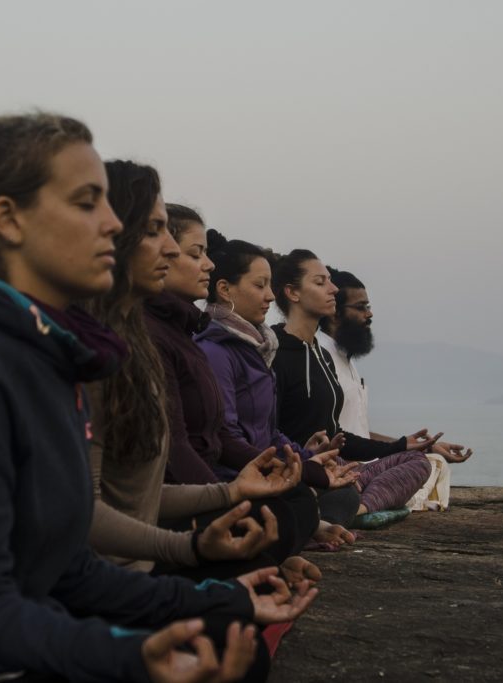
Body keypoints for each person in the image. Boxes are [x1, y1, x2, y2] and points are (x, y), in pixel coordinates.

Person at [0, 113, 314, 683]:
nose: (112, 224)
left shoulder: (52, 358)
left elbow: (68, 568)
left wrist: (218, 596)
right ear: (10, 219)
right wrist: (131, 657)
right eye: (85, 202)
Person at [86, 162, 313, 583]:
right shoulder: (105, 347)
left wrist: (238, 491)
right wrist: (207, 529)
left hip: (141, 556)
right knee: (259, 557)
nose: (171, 251)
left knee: (289, 515)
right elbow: (87, 512)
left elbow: (138, 494)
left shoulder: (152, 338)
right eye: (154, 232)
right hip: (114, 576)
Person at [144, 203, 325, 572]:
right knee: (283, 512)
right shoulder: (199, 344)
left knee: (301, 503)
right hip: (192, 494)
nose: (208, 264)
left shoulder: (189, 335)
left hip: (210, 489)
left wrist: (303, 461)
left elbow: (259, 432)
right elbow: (186, 446)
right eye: (196, 253)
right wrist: (229, 500)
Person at [193, 230, 361, 530]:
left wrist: (308, 456)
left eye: (270, 286)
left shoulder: (259, 348)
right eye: (260, 286)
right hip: (236, 481)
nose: (270, 296)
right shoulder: (216, 351)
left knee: (335, 494)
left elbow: (269, 433)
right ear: (225, 289)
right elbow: (226, 439)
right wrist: (300, 469)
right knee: (299, 505)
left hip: (269, 473)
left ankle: (313, 522)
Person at [269, 249, 436, 527]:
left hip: (333, 468)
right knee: (341, 494)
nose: (333, 289)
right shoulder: (276, 353)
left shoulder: (322, 356)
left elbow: (337, 434)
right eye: (321, 282)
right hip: (298, 471)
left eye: (330, 281)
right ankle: (344, 510)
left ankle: (356, 508)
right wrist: (313, 464)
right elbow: (267, 431)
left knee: (419, 461)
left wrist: (400, 444)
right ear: (292, 293)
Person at [318, 267, 473, 463]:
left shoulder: (345, 360)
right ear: (334, 313)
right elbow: (330, 437)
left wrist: (420, 447)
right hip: (342, 474)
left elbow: (359, 436)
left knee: (431, 462)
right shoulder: (319, 358)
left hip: (363, 469)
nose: (369, 314)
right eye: (360, 307)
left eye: (368, 306)